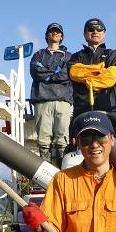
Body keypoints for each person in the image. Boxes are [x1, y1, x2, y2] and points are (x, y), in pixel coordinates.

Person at [68, 18, 116, 145]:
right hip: (82, 111)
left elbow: (110, 78)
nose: (95, 31)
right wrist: (99, 69)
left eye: (99, 29)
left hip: (110, 110)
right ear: (85, 34)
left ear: (104, 33)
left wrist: (87, 78)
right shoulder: (76, 56)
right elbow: (74, 73)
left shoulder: (112, 54)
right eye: (91, 29)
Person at [29, 22, 73, 167]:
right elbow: (36, 71)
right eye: (52, 31)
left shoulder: (69, 56)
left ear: (62, 37)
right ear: (47, 35)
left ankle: (62, 169)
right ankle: (45, 171)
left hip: (63, 100)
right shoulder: (38, 55)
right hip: (42, 99)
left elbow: (67, 74)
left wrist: (47, 74)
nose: (55, 33)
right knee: (43, 138)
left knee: (62, 137)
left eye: (58, 32)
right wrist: (55, 73)